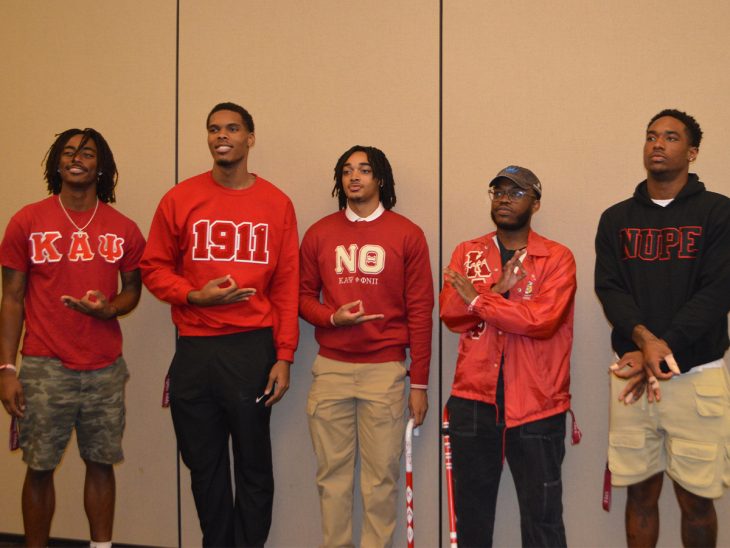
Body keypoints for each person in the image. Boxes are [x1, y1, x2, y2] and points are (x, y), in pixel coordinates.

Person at [140, 102, 299, 547]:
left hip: (251, 349)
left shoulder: (276, 203)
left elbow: (288, 285)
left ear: (250, 137)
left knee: (252, 464)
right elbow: (152, 268)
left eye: (231, 128)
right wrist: (193, 295)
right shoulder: (180, 198)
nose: (221, 135)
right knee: (203, 465)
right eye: (213, 129)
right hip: (194, 350)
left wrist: (284, 355)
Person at [0, 128, 144, 548]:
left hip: (104, 368)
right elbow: (11, 299)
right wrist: (7, 369)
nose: (76, 158)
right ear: (56, 163)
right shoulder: (26, 221)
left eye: (87, 153)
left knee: (101, 464)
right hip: (45, 366)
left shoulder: (124, 228)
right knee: (39, 467)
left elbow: (132, 289)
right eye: (68, 152)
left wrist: (110, 308)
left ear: (102, 166)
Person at [595, 109, 730, 547]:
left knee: (697, 501)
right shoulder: (616, 219)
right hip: (634, 372)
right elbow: (610, 289)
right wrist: (645, 341)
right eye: (651, 136)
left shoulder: (719, 213)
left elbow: (716, 292)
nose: (657, 144)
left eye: (671, 138)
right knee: (640, 494)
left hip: (696, 376)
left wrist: (664, 347)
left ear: (691, 152)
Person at [299, 145, 433, 547]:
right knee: (333, 480)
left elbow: (421, 312)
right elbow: (302, 297)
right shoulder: (320, 233)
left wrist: (420, 385)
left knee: (380, 482)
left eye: (364, 170)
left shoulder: (407, 234)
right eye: (346, 171)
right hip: (331, 370)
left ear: (380, 179)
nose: (354, 177)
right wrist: (330, 318)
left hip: (385, 372)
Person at [441, 165, 577, 547]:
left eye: (516, 193)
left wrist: (478, 299)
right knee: (471, 519)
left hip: (537, 405)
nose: (504, 198)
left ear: (535, 203)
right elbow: (451, 313)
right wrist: (496, 290)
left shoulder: (556, 258)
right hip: (473, 402)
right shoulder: (467, 253)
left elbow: (541, 320)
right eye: (497, 191)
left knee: (543, 521)